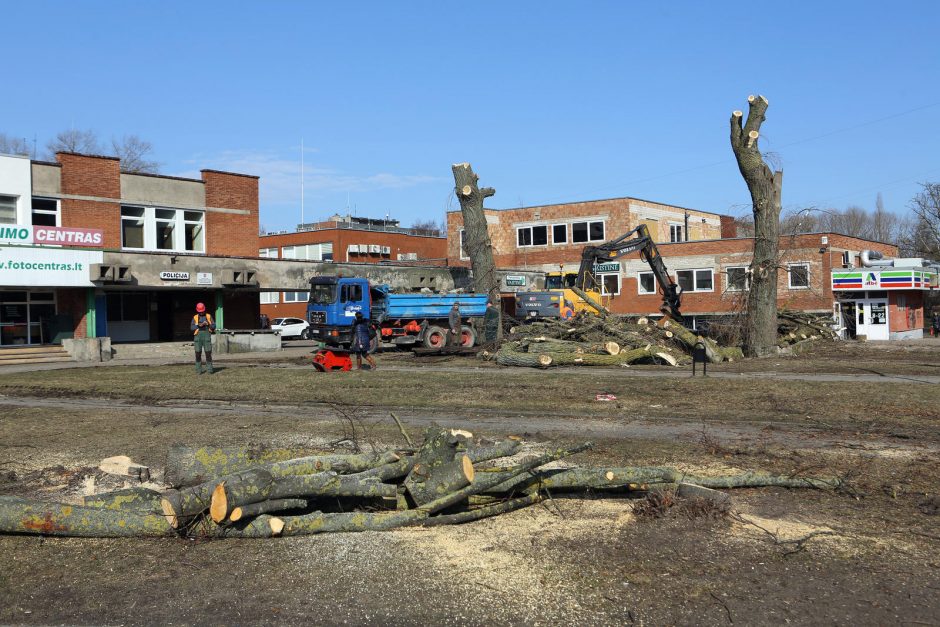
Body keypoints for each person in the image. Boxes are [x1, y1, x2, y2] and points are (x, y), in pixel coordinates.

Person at [191, 302, 216, 374]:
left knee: (208, 353)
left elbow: (214, 326)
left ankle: (210, 370)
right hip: (198, 337)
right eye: (200, 312)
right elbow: (191, 327)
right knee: (198, 354)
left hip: (206, 336)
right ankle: (198, 370)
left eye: (202, 311)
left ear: (204, 310)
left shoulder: (208, 316)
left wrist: (208, 324)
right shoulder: (195, 317)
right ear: (197, 311)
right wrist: (199, 325)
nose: (201, 313)